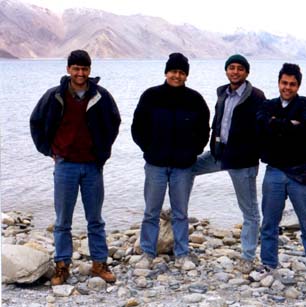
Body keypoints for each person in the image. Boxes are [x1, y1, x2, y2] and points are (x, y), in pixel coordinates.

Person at [30, 50, 121, 285]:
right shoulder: (54, 96)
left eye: (84, 69)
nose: (80, 73)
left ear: (90, 70)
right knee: (62, 220)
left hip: (92, 166)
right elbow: (36, 122)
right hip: (65, 165)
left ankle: (99, 263)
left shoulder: (101, 96)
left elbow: (114, 123)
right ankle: (62, 266)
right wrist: (49, 150)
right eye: (76, 68)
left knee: (95, 219)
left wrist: (103, 151)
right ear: (68, 69)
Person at [131, 53, 210, 268]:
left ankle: (182, 252)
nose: (177, 75)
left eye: (182, 72)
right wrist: (148, 148)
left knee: (180, 212)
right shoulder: (151, 96)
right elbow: (137, 127)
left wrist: (194, 151)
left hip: (183, 166)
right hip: (155, 164)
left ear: (186, 75)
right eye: (174, 71)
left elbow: (204, 129)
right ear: (166, 72)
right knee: (151, 211)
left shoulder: (195, 99)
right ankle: (148, 252)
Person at [192, 54, 266, 273]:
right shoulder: (222, 93)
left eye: (240, 68)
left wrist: (253, 152)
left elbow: (262, 128)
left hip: (242, 162)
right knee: (187, 168)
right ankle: (176, 215)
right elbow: (218, 122)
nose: (235, 71)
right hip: (219, 154)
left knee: (250, 211)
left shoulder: (256, 96)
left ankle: (248, 255)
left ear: (246, 72)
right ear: (226, 70)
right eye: (231, 68)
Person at [257, 63, 306, 283]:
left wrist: (277, 124)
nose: (287, 87)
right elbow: (262, 126)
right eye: (284, 83)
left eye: (292, 84)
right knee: (269, 222)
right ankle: (268, 265)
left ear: (298, 85)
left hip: (301, 173)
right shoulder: (267, 105)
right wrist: (291, 125)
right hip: (274, 172)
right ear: (278, 83)